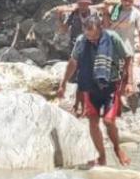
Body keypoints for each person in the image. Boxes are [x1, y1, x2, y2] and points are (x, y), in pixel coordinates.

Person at [57, 16, 134, 167]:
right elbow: (73, 62)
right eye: (88, 36)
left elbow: (128, 58)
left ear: (101, 29)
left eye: (95, 36)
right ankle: (102, 156)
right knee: (93, 122)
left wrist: (129, 81)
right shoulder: (81, 41)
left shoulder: (112, 37)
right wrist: (63, 82)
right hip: (90, 86)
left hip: (110, 85)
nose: (91, 39)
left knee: (108, 121)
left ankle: (117, 149)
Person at [103, 0, 140, 112]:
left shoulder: (136, 13)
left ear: (133, 1)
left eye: (130, 1)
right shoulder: (114, 10)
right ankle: (114, 102)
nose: (127, 3)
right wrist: (106, 12)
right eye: (125, 0)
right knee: (112, 76)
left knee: (127, 77)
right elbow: (106, 27)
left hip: (128, 51)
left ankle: (123, 101)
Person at [57, 0, 96, 115]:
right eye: (82, 3)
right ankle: (78, 105)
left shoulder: (93, 14)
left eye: (86, 3)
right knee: (78, 79)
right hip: (74, 49)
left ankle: (85, 107)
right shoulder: (73, 14)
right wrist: (59, 17)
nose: (84, 6)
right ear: (78, 3)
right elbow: (63, 30)